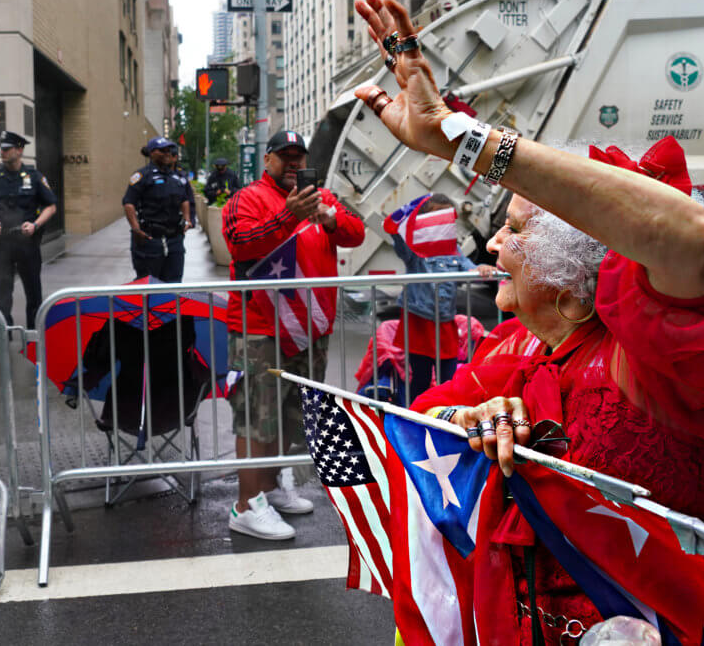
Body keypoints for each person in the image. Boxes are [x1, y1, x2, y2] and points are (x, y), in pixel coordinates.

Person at [353, 0, 704, 640]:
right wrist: (466, 419)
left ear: (576, 290)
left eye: (513, 229)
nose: (490, 244)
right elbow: (418, 418)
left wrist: (467, 140)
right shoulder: (516, 345)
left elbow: (688, 240)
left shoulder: (660, 366)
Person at [222, 129, 365, 540]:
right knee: (255, 417)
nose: (294, 164)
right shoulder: (247, 197)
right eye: (285, 157)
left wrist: (331, 217)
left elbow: (355, 233)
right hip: (259, 328)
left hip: (308, 328)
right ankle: (246, 505)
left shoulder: (321, 196)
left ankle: (269, 488)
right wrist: (290, 215)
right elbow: (240, 243)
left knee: (290, 416)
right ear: (267, 161)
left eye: (299, 157)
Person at [389, 193, 494, 392]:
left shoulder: (453, 248)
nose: (441, 222)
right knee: (421, 378)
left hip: (445, 320)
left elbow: (469, 268)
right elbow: (400, 243)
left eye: (446, 216)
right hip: (418, 320)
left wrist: (484, 269)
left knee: (449, 378)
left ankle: (446, 418)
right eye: (435, 216)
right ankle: (416, 417)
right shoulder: (415, 248)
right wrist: (401, 222)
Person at [0, 130, 58, 346]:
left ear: (19, 150)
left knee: (33, 290)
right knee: (1, 290)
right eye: (1, 149)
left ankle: (33, 331)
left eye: (7, 148)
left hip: (27, 243)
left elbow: (51, 206)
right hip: (3, 243)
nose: (2, 152)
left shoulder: (35, 177)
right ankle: (2, 330)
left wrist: (36, 224)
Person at [123, 136, 193, 282]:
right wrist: (136, 229)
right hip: (150, 239)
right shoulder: (142, 176)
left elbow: (185, 199)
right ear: (151, 153)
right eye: (162, 150)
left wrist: (187, 220)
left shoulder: (176, 176)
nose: (167, 153)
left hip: (174, 239)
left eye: (168, 150)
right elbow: (129, 203)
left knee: (174, 284)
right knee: (149, 284)